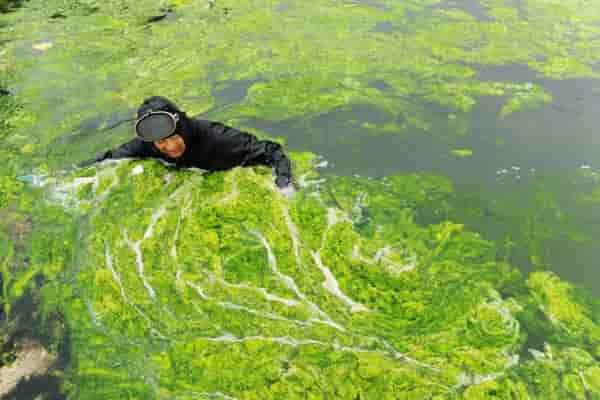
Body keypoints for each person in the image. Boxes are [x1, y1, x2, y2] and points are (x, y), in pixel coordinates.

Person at [80, 96, 294, 194]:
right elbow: (110, 158)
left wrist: (284, 183)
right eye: (161, 142)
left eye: (174, 137)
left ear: (183, 128)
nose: (170, 147)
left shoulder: (222, 141)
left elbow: (271, 150)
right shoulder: (147, 146)